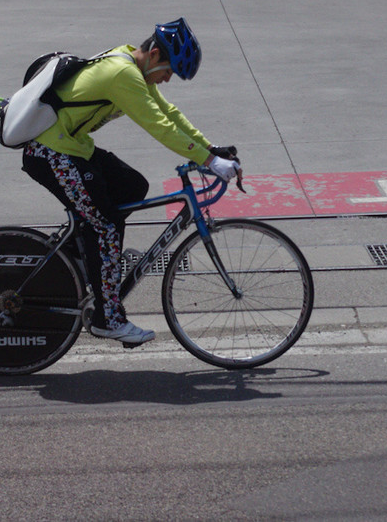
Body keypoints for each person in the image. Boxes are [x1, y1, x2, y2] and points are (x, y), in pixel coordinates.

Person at [21, 18, 242, 346]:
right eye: (168, 71)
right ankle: (107, 319)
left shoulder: (131, 64)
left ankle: (79, 258)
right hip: (51, 154)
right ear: (154, 55)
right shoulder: (122, 74)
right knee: (106, 228)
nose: (167, 80)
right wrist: (208, 162)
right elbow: (159, 127)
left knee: (133, 187)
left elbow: (170, 114)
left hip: (72, 149)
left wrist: (209, 149)